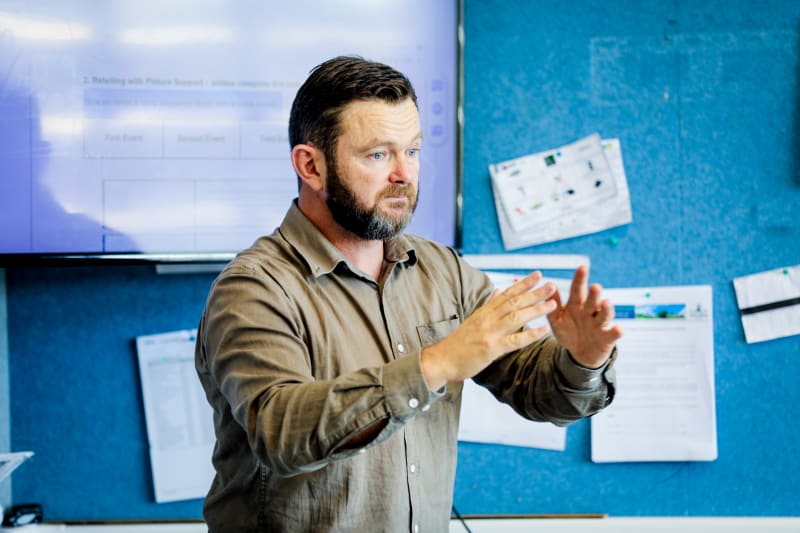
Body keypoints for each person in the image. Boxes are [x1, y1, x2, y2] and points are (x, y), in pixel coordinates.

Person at [194, 55, 622, 533]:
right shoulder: (253, 288)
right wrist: (435, 365)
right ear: (310, 165)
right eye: (378, 154)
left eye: (413, 150)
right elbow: (281, 432)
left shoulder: (444, 271)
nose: (404, 174)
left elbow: (542, 394)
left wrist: (583, 359)